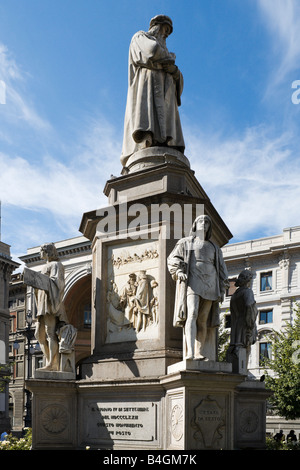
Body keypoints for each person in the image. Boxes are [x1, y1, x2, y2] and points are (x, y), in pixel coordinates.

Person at [121, 15, 185, 167]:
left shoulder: (166, 55)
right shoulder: (139, 37)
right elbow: (152, 51)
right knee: (147, 118)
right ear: (156, 26)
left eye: (168, 33)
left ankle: (167, 142)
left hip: (165, 97)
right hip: (147, 89)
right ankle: (147, 139)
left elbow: (179, 82)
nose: (165, 35)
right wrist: (167, 59)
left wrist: (174, 70)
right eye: (165, 30)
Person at [167, 215, 228, 361]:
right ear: (195, 225)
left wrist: (222, 286)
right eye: (201, 221)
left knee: (203, 319)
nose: (204, 223)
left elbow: (221, 269)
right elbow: (173, 258)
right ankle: (190, 352)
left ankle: (199, 352)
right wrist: (179, 271)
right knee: (192, 313)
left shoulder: (215, 248)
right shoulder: (185, 242)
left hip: (210, 284)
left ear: (209, 227)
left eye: (207, 221)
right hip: (193, 281)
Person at [35, 243, 69, 371]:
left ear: (47, 251)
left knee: (50, 333)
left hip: (49, 303)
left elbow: (58, 282)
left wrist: (42, 280)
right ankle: (50, 361)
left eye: (41, 251)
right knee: (39, 335)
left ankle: (52, 364)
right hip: (42, 304)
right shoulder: (45, 266)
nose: (40, 253)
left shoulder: (56, 265)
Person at [227, 269, 258, 367]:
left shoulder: (234, 295)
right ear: (248, 280)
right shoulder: (247, 292)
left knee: (235, 349)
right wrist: (251, 323)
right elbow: (249, 305)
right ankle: (244, 374)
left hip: (235, 328)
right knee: (245, 350)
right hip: (245, 326)